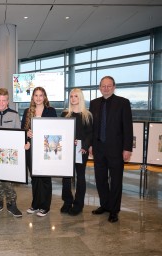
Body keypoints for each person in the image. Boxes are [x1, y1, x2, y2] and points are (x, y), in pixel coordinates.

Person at [89, 76, 133, 223]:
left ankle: (114, 210)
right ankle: (105, 205)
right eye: (103, 86)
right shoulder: (94, 104)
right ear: (100, 87)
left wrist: (127, 148)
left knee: (115, 181)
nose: (106, 88)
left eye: (109, 86)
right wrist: (90, 145)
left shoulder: (123, 103)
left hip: (116, 149)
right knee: (100, 179)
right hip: (98, 148)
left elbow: (128, 127)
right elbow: (91, 128)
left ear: (114, 87)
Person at [0, 88, 23, 218]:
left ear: (8, 101)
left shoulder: (14, 115)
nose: (1, 103)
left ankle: (12, 203)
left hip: (11, 153)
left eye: (4, 100)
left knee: (9, 180)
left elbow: (19, 134)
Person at [21, 87, 57, 217]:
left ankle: (45, 206)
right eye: (36, 95)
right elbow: (22, 131)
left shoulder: (51, 111)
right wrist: (27, 133)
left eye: (41, 95)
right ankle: (35, 204)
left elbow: (55, 129)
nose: (38, 98)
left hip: (46, 149)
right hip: (32, 149)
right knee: (35, 178)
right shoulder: (27, 112)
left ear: (45, 97)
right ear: (33, 98)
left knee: (45, 178)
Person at [60, 88, 92, 216]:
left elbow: (90, 134)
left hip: (81, 150)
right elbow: (60, 132)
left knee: (81, 177)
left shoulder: (87, 115)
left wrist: (84, 146)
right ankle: (67, 202)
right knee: (66, 178)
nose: (73, 99)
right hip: (66, 150)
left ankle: (78, 205)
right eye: (71, 96)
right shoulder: (64, 114)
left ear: (80, 98)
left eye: (76, 96)